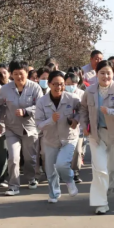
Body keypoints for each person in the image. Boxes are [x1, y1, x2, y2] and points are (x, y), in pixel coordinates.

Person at [80, 60, 114, 215]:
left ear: (113, 73)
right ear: (96, 74)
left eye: (108, 73)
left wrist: (109, 111)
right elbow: (83, 109)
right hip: (96, 134)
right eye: (102, 73)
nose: (105, 76)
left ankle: (108, 187)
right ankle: (101, 203)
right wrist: (84, 125)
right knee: (99, 169)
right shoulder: (90, 91)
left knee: (111, 169)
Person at [0, 60, 43, 195]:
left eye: (21, 73)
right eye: (15, 74)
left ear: (26, 73)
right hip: (12, 128)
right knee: (13, 158)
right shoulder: (5, 89)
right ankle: (13, 186)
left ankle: (31, 178)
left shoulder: (35, 88)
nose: (19, 77)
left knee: (30, 158)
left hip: (30, 128)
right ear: (11, 74)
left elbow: (40, 106)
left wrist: (26, 111)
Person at [35, 70, 81, 203]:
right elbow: (38, 124)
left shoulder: (72, 98)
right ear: (49, 84)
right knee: (50, 170)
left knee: (62, 164)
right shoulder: (41, 102)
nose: (58, 87)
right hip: (50, 140)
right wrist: (51, 120)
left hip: (69, 138)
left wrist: (76, 120)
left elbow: (82, 111)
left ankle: (69, 181)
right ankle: (54, 193)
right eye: (55, 84)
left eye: (61, 84)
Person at [66, 72, 86, 183]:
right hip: (64, 128)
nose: (70, 86)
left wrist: (77, 120)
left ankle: (75, 172)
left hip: (79, 128)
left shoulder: (82, 94)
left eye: (72, 83)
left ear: (77, 83)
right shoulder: (61, 93)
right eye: (67, 84)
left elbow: (83, 110)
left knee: (77, 151)